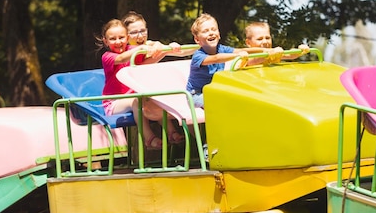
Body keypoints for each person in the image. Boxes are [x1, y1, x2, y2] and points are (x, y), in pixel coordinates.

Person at [98, 19, 182, 149]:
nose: (118, 41)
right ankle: (149, 138)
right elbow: (121, 59)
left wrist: (167, 48)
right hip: (115, 102)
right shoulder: (108, 56)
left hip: (139, 98)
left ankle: (171, 132)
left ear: (127, 37)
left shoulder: (134, 50)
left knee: (153, 98)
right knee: (137, 100)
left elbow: (151, 58)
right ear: (106, 41)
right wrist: (142, 48)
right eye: (113, 39)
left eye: (121, 37)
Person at [186, 13, 267, 108]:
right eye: (205, 31)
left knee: (239, 95)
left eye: (214, 29)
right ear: (197, 39)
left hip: (213, 91)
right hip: (196, 95)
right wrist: (236, 55)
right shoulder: (198, 55)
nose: (211, 32)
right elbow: (216, 58)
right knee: (222, 101)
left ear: (219, 34)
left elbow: (241, 50)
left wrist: (266, 51)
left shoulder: (222, 48)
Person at [121, 11, 195, 58]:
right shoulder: (121, 52)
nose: (140, 36)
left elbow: (182, 52)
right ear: (126, 36)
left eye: (143, 31)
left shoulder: (150, 45)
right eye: (134, 32)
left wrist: (173, 47)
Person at [244, 21, 310, 66]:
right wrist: (269, 55)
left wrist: (300, 50)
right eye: (259, 39)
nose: (265, 42)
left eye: (267, 38)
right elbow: (251, 62)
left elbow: (290, 55)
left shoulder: (274, 53)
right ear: (248, 43)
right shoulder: (246, 56)